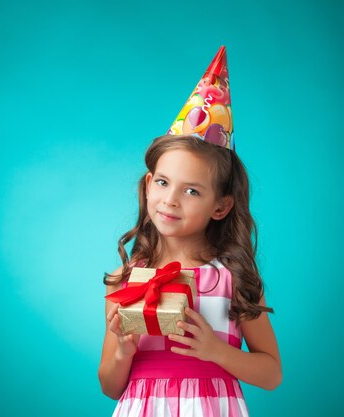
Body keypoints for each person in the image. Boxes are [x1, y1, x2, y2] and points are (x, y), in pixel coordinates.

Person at [98, 47, 282, 417]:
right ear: (149, 183)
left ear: (221, 206)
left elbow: (271, 373)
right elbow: (110, 385)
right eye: (163, 182)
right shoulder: (127, 279)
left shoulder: (231, 278)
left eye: (192, 190)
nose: (171, 200)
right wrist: (123, 349)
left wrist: (217, 352)